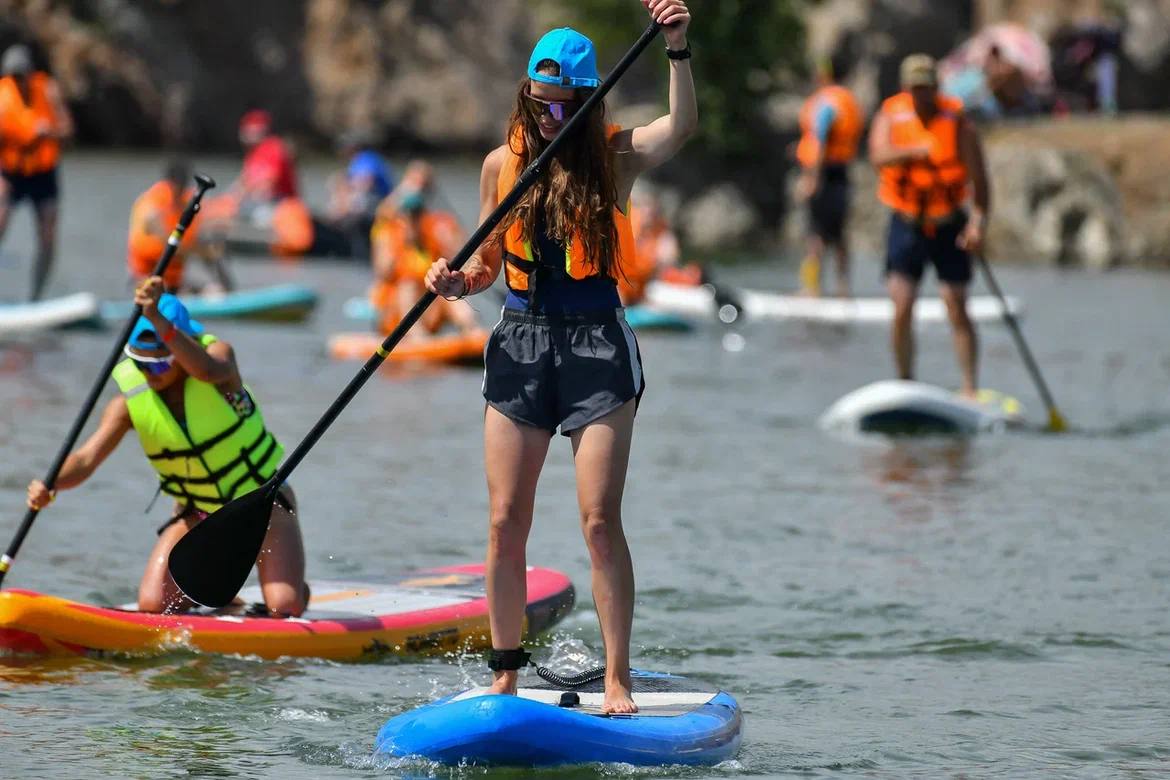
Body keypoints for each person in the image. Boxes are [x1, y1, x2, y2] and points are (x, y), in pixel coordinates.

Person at [424, 0, 696, 714]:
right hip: (518, 345)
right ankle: (507, 672)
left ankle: (616, 678)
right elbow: (484, 266)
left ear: (586, 99)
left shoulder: (614, 155)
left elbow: (682, 127)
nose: (550, 117)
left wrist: (677, 50)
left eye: (563, 105)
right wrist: (456, 282)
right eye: (539, 103)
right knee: (504, 518)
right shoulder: (498, 166)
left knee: (599, 519)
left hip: (597, 345)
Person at [25, 279, 306, 616]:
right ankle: (220, 591)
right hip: (197, 513)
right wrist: (50, 484)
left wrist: (158, 320)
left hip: (262, 506)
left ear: (181, 349)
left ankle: (296, 588)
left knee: (284, 607)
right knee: (154, 604)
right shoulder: (127, 404)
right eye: (141, 364)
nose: (150, 373)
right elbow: (85, 459)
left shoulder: (219, 360)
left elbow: (205, 369)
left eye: (160, 364)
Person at [869, 54, 990, 398]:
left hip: (949, 223)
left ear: (937, 87)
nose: (922, 96)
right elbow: (877, 155)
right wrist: (913, 151)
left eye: (927, 88)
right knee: (902, 304)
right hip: (906, 223)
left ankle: (969, 388)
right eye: (915, 89)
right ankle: (905, 381)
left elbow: (980, 183)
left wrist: (977, 224)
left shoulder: (959, 123)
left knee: (956, 304)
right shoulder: (891, 115)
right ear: (906, 89)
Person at [370, 161, 482, 339]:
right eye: (408, 215)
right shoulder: (388, 231)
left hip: (429, 310)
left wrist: (449, 246)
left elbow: (466, 261)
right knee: (408, 286)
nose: (412, 220)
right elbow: (384, 272)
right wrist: (403, 245)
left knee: (451, 293)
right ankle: (418, 337)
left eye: (417, 214)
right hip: (397, 313)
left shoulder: (433, 231)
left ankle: (472, 330)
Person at [0, 44, 73, 300]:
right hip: (11, 172)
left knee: (48, 237)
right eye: (14, 76)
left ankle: (36, 298)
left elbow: (68, 131)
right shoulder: (2, 97)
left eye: (23, 75)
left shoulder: (48, 90)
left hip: (44, 173)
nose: (20, 81)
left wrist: (48, 132)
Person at [793, 51, 862, 297]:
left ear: (825, 73)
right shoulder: (847, 99)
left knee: (815, 234)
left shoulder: (826, 102)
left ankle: (810, 288)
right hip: (841, 172)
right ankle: (843, 288)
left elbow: (821, 138)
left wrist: (812, 177)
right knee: (839, 234)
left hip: (823, 172)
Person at [127, 159, 231, 293]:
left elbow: (205, 225)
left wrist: (214, 245)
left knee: (213, 260)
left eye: (182, 187)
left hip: (174, 282)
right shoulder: (151, 202)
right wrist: (205, 252)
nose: (179, 192)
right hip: (145, 280)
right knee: (208, 252)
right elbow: (169, 243)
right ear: (169, 184)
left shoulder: (187, 200)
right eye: (177, 187)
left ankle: (227, 292)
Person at [324, 130, 395, 260]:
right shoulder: (356, 162)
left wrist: (345, 191)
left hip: (380, 204)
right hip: (366, 204)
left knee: (356, 200)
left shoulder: (368, 158)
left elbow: (366, 182)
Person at [619, 190, 680, 305]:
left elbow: (669, 257)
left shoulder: (662, 234)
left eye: (653, 214)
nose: (648, 217)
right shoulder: (628, 222)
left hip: (640, 289)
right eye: (645, 212)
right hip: (619, 286)